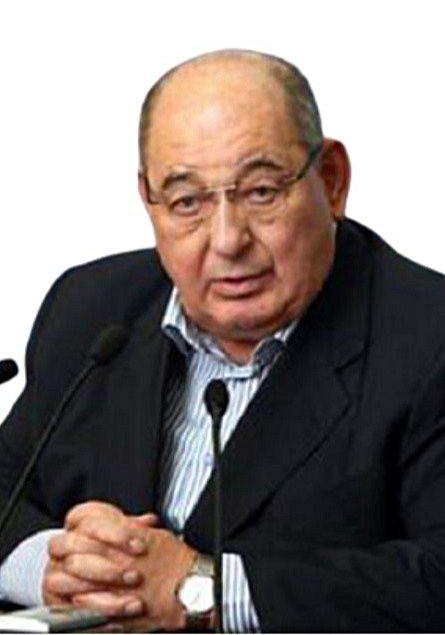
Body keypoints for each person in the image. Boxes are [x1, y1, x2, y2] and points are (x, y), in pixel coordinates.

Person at [1, 49, 445, 633]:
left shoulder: (427, 337)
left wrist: (204, 589)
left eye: (261, 191)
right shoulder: (91, 309)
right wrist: (57, 569)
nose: (228, 239)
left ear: (331, 180)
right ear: (149, 199)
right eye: (188, 201)